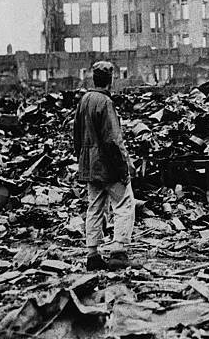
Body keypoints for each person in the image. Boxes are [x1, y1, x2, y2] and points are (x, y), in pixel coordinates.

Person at [73, 61, 135, 270]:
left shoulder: (84, 100)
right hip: (108, 167)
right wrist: (123, 168)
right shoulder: (105, 103)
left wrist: (83, 161)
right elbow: (113, 140)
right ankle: (118, 251)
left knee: (95, 207)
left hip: (90, 166)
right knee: (124, 204)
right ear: (110, 80)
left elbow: (76, 136)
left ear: (94, 78)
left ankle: (92, 255)